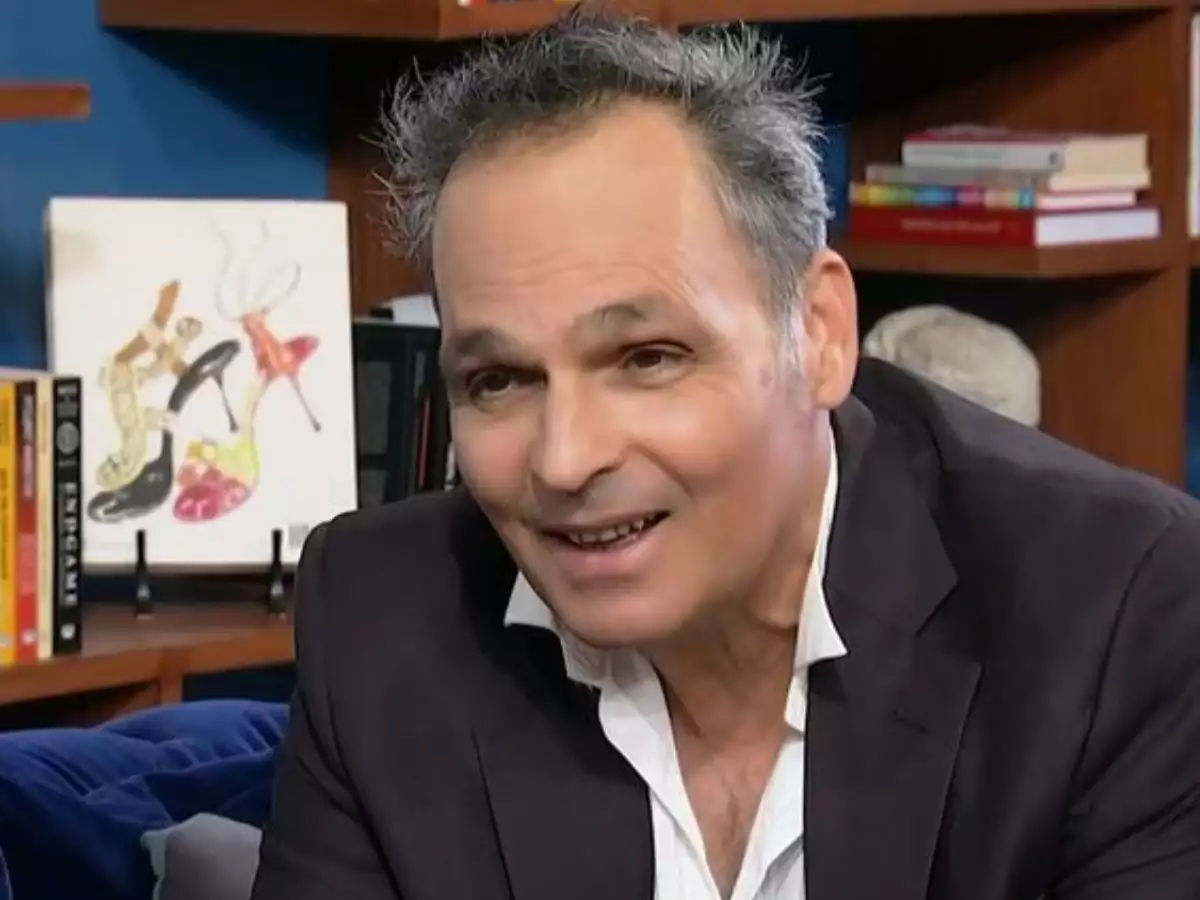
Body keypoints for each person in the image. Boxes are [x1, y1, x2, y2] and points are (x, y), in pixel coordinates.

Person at [249, 10, 1200, 900]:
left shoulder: (1118, 611)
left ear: (819, 333)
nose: (565, 460)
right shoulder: (382, 621)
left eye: (647, 358)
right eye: (499, 380)